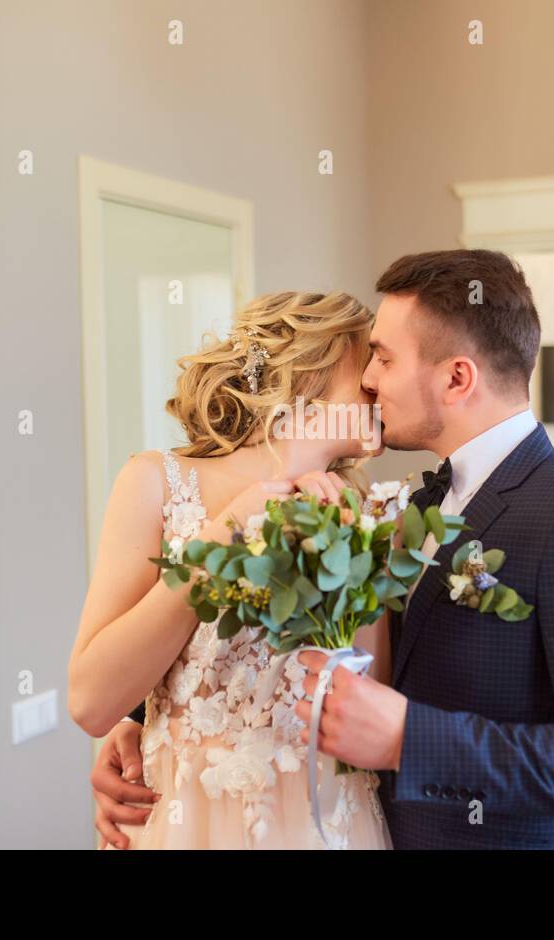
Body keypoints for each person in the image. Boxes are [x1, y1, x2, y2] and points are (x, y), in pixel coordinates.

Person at [91, 249, 554, 850]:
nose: (368, 378)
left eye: (384, 359)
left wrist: (407, 739)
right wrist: (151, 727)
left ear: (456, 378)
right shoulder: (406, 506)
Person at [68, 290, 392, 849]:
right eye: (371, 360)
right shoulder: (157, 484)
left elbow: (371, 702)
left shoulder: (364, 512)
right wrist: (222, 539)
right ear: (306, 379)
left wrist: (347, 560)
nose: (381, 380)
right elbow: (91, 701)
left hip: (327, 825)